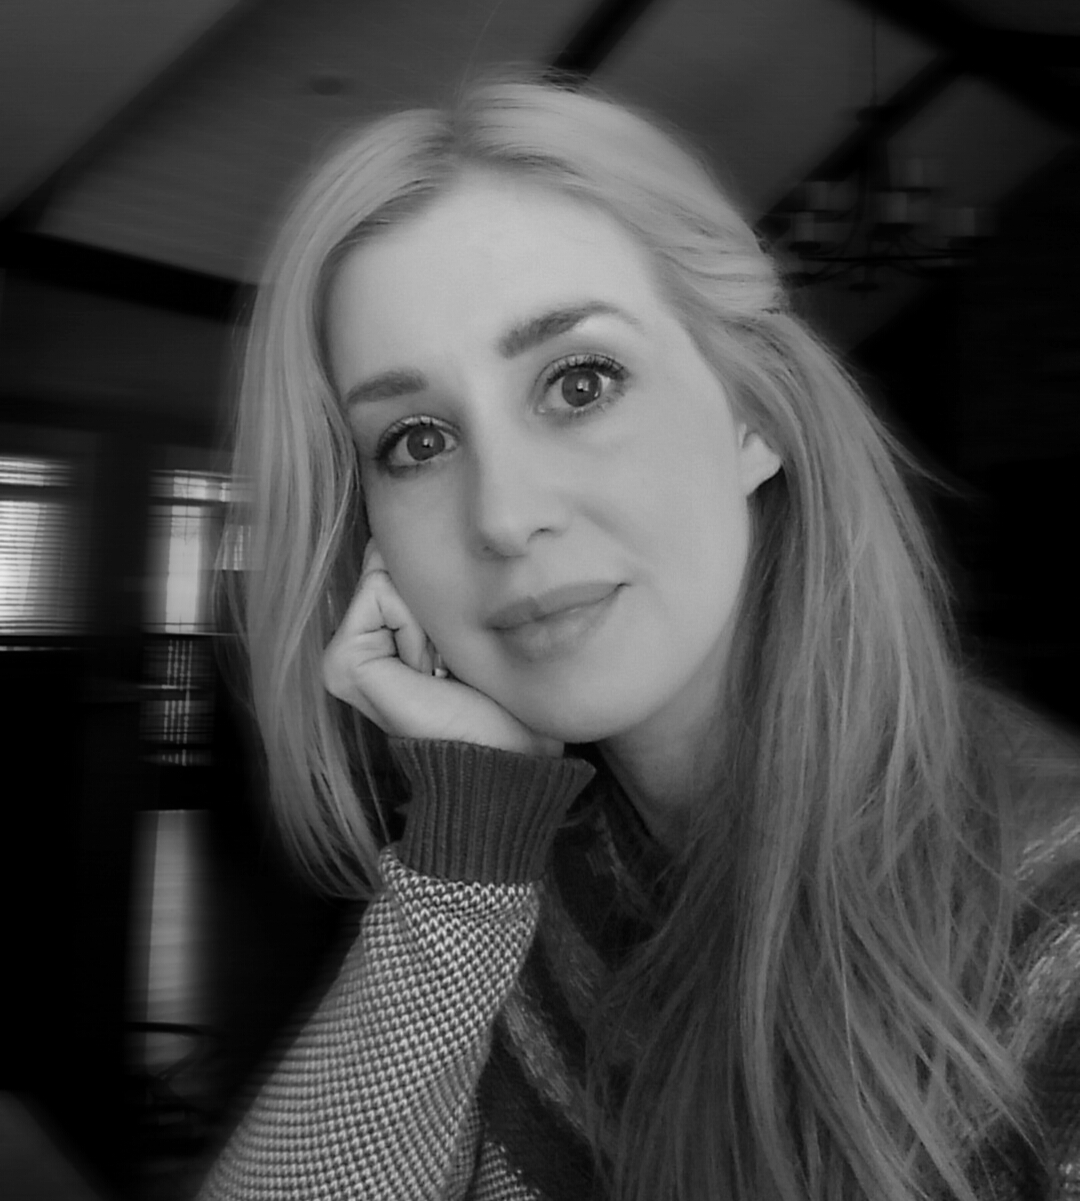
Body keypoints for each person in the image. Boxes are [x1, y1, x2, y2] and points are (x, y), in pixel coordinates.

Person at [198, 74, 1080, 1201]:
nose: (503, 516)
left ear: (755, 414)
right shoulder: (524, 881)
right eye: (416, 440)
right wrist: (471, 831)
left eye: (580, 382)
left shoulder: (1052, 924)